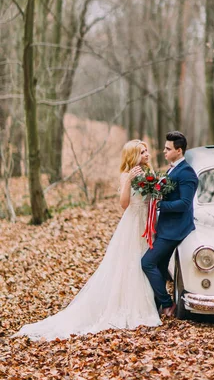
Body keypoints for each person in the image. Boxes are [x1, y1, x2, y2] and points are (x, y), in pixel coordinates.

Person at [14, 140, 161, 340]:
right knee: (130, 263)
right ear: (133, 155)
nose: (147, 154)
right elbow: (124, 204)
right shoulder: (126, 175)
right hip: (133, 221)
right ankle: (128, 306)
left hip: (147, 222)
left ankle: (149, 301)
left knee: (146, 260)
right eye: (143, 152)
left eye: (146, 151)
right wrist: (128, 181)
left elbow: (151, 197)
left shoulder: (149, 173)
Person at [142, 131, 198, 317]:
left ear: (179, 150)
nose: (164, 151)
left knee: (147, 262)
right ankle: (156, 305)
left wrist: (159, 204)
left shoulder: (187, 173)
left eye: (168, 148)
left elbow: (184, 204)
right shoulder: (173, 169)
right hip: (166, 227)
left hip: (174, 230)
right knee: (159, 266)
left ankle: (167, 304)